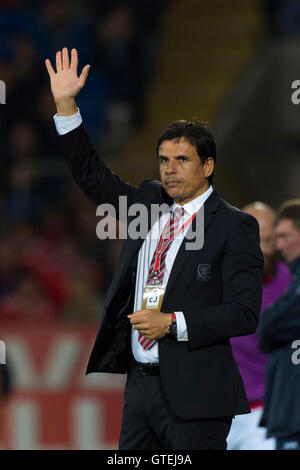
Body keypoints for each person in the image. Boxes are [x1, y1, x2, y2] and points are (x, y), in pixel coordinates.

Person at [45, 47, 264, 450]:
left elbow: (244, 313)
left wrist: (173, 323)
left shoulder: (235, 226)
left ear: (208, 166)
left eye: (182, 159)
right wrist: (66, 106)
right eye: (164, 160)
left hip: (198, 396)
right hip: (140, 390)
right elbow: (93, 176)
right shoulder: (148, 202)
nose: (169, 168)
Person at [227, 202, 291, 450]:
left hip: (263, 419)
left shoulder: (292, 287)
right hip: (210, 415)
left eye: (267, 240)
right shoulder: (208, 282)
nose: (259, 250)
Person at [258, 200, 300, 450]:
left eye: (284, 236)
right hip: (289, 418)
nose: (279, 246)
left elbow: (270, 326)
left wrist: (272, 321)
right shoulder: (293, 280)